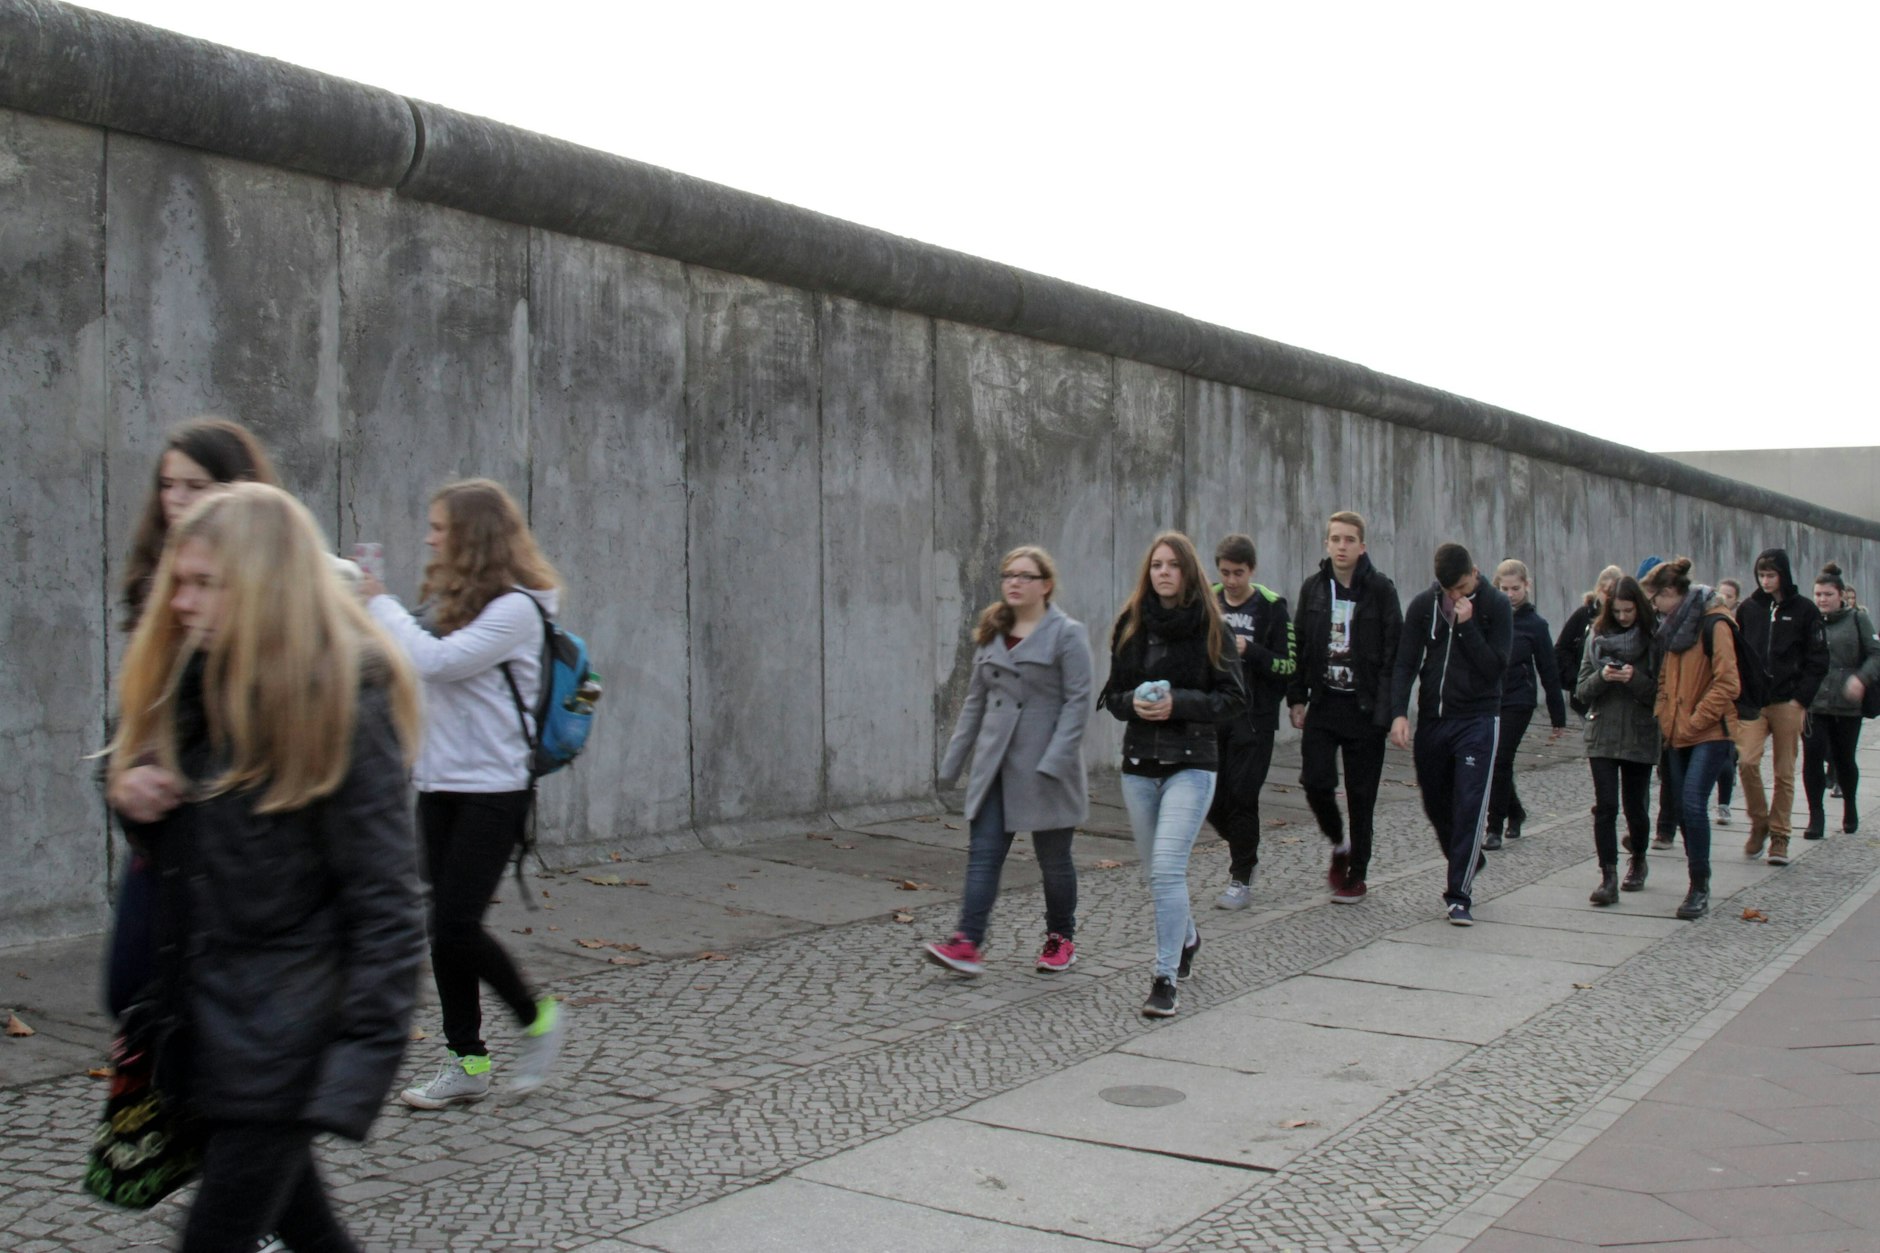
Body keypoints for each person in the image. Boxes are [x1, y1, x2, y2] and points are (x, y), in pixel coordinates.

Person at [104, 483, 424, 1251]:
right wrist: (133, 797)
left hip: (287, 1050)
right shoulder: (200, 682)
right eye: (180, 580)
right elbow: (186, 863)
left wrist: (350, 1072)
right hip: (211, 1028)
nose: (179, 601)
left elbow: (388, 908)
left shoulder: (343, 702)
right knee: (311, 1232)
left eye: (202, 582)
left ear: (262, 586)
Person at [365, 479, 571, 1107]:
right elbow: (413, 669)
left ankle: (539, 1019)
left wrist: (379, 603)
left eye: (438, 527)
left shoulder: (518, 609)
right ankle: (467, 1062)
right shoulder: (447, 600)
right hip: (439, 783)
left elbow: (437, 662)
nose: (428, 538)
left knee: (455, 926)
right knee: (443, 928)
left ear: (472, 536)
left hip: (495, 788)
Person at [106, 418, 280, 1021]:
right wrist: (123, 778)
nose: (177, 501)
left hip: (242, 853)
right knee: (130, 993)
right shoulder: (154, 586)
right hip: (165, 843)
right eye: (168, 484)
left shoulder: (271, 592)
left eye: (196, 486)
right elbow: (129, 723)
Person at [1101, 531, 1246, 1018]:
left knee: (1167, 868)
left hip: (1192, 762)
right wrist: (1138, 702)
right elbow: (1113, 698)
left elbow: (1233, 699)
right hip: (1140, 765)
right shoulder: (1131, 624)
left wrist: (1177, 703)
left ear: (1187, 572)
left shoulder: (1211, 626)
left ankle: (1164, 978)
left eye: (1172, 565)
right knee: (1155, 873)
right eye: (1156, 565)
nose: (1163, 572)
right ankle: (1186, 936)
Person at [928, 546, 1092, 974]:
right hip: (995, 766)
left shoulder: (1067, 634)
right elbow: (974, 703)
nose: (1015, 582)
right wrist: (953, 763)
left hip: (1045, 767)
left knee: (1053, 861)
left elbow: (1078, 702)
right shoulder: (992, 633)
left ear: (1046, 585)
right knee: (982, 854)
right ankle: (968, 942)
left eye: (1025, 575)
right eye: (1008, 575)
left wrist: (1056, 760)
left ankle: (1061, 937)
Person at [1390, 543, 1513, 926]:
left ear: (1475, 572)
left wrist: (1468, 627)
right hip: (1434, 719)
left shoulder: (1496, 605)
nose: (1456, 596)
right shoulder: (1425, 605)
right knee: (1435, 802)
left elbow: (1495, 668)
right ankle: (1469, 858)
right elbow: (1406, 661)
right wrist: (1398, 713)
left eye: (1461, 587)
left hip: (1477, 718)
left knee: (1469, 804)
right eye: (1450, 590)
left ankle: (1458, 895)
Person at [1287, 511, 1403, 905]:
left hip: (1364, 708)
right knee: (1315, 781)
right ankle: (1339, 842)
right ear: (1326, 544)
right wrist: (1297, 697)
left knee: (1361, 795)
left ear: (1362, 546)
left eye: (1349, 539)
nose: (1342, 546)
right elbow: (1300, 644)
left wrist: (1389, 711)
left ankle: (1357, 873)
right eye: (1335, 539)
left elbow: (1394, 654)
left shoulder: (1381, 590)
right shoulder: (1314, 589)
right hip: (1323, 702)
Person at [1644, 558, 1741, 919]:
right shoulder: (1673, 626)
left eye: (1656, 599)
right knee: (1684, 810)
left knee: (1693, 802)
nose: (1653, 606)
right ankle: (1695, 876)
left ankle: (1699, 885)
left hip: (1712, 731)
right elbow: (1666, 679)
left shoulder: (1715, 623)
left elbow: (1728, 683)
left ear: (1671, 593)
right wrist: (1664, 714)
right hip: (1676, 730)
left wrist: (1695, 720)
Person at [1206, 534, 1295, 909]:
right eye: (1225, 573)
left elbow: (1288, 665)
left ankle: (1241, 875)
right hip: (1214, 714)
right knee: (1208, 797)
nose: (1230, 581)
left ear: (1252, 570)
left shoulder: (1272, 607)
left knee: (1242, 796)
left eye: (1238, 573)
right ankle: (1245, 849)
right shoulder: (1208, 598)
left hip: (1254, 719)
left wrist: (1250, 650)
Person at [1735, 549, 1830, 867]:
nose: (1765, 581)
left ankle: (1780, 837)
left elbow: (1818, 659)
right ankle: (1759, 820)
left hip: (1788, 701)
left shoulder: (1804, 610)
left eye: (1771, 575)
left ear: (1783, 576)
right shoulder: (1749, 609)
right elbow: (1738, 653)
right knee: (1747, 761)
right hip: (1755, 702)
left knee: (1784, 772)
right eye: (1761, 575)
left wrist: (1801, 699)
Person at [1576, 577, 1660, 903]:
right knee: (1606, 806)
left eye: (1629, 610)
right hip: (1603, 732)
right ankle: (1607, 876)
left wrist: (1634, 679)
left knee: (1635, 807)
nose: (1624, 617)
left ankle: (1638, 858)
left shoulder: (1654, 640)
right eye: (1618, 611)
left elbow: (1660, 694)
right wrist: (1603, 677)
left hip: (1640, 732)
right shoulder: (1597, 639)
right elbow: (1581, 690)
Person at [1485, 559, 1567, 849]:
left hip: (1519, 700)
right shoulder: (1490, 618)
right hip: (1491, 698)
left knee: (1500, 758)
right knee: (1494, 761)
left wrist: (1558, 716)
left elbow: (1549, 671)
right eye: (1504, 588)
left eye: (1515, 588)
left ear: (1527, 586)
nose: (1509, 594)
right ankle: (1516, 812)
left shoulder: (1535, 625)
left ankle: (1493, 826)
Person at [1801, 563, 1879, 838]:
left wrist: (1861, 678)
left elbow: (1875, 654)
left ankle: (1850, 805)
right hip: (1813, 703)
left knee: (1844, 759)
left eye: (1827, 594)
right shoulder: (1808, 621)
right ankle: (1816, 816)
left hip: (1847, 704)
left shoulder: (1857, 619)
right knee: (1812, 758)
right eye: (1818, 594)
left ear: (1841, 595)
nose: (1822, 599)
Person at [1555, 565, 1623, 718]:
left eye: (1615, 593)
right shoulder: (1583, 615)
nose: (1611, 598)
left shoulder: (1623, 617)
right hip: (1585, 694)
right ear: (1598, 589)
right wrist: (1575, 679)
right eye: (1607, 592)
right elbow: (1561, 649)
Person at [1711, 578, 1743, 825]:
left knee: (1727, 754)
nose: (1723, 598)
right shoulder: (1710, 624)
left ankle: (1723, 803)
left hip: (1733, 700)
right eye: (1720, 594)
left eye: (1729, 596)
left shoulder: (1738, 626)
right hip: (1711, 696)